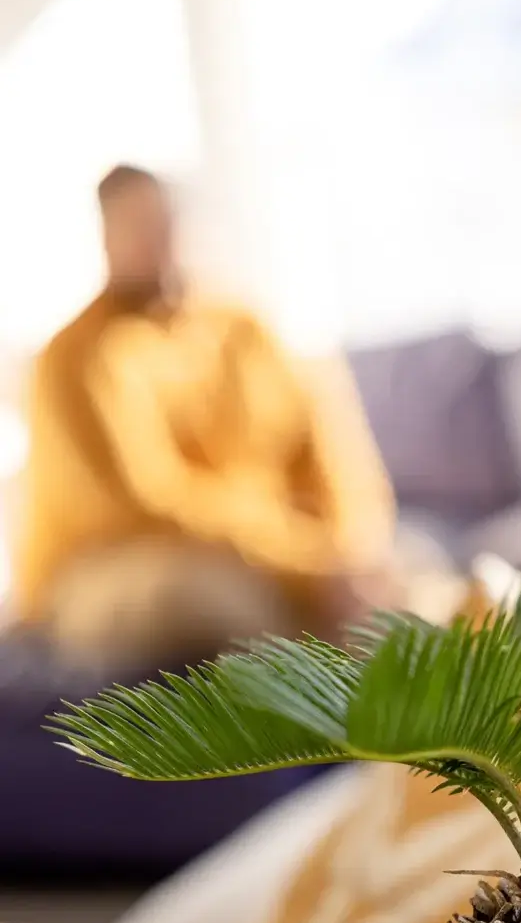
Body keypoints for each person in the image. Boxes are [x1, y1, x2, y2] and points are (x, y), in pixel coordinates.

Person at [13, 165, 396, 668]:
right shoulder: (78, 356)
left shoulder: (247, 329)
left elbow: (330, 453)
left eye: (166, 223)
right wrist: (303, 562)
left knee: (407, 573)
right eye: (137, 226)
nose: (158, 240)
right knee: (205, 602)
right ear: (106, 236)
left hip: (264, 552)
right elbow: (152, 501)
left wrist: (348, 548)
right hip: (114, 567)